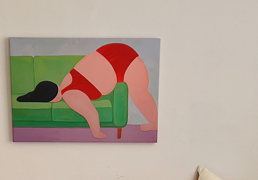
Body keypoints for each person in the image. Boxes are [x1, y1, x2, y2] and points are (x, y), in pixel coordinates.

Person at [17, 43, 158, 139]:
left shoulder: (70, 96)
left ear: (51, 100)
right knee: (140, 91)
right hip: (110, 52)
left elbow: (91, 113)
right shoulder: (66, 81)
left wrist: (96, 133)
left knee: (139, 92)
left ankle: (154, 122)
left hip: (117, 62)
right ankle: (154, 122)